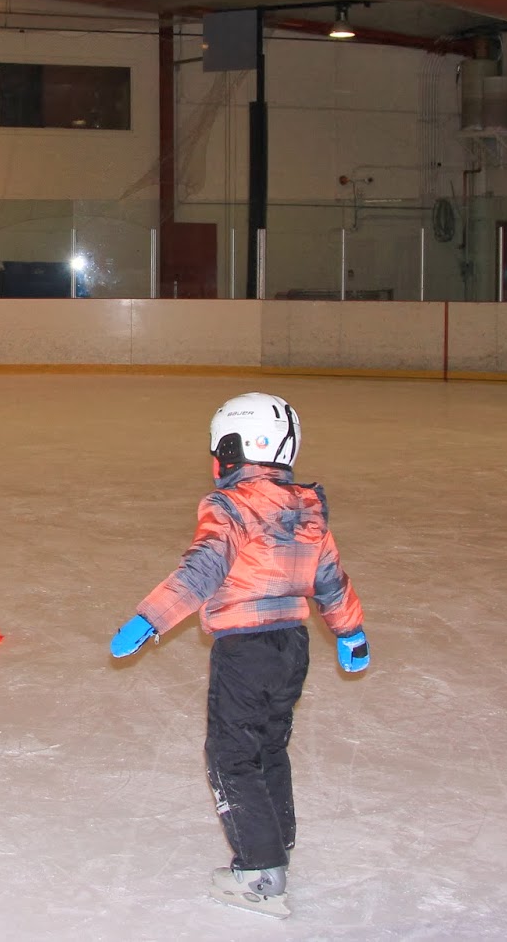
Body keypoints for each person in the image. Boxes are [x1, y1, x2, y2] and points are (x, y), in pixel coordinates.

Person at [108, 392, 368, 920]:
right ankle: (278, 842)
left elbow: (204, 568)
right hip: (292, 647)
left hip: (245, 649)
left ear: (237, 447)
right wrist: (350, 633)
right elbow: (330, 579)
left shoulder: (229, 505)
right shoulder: (307, 508)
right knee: (270, 746)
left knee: (231, 755)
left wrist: (150, 619)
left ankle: (260, 873)